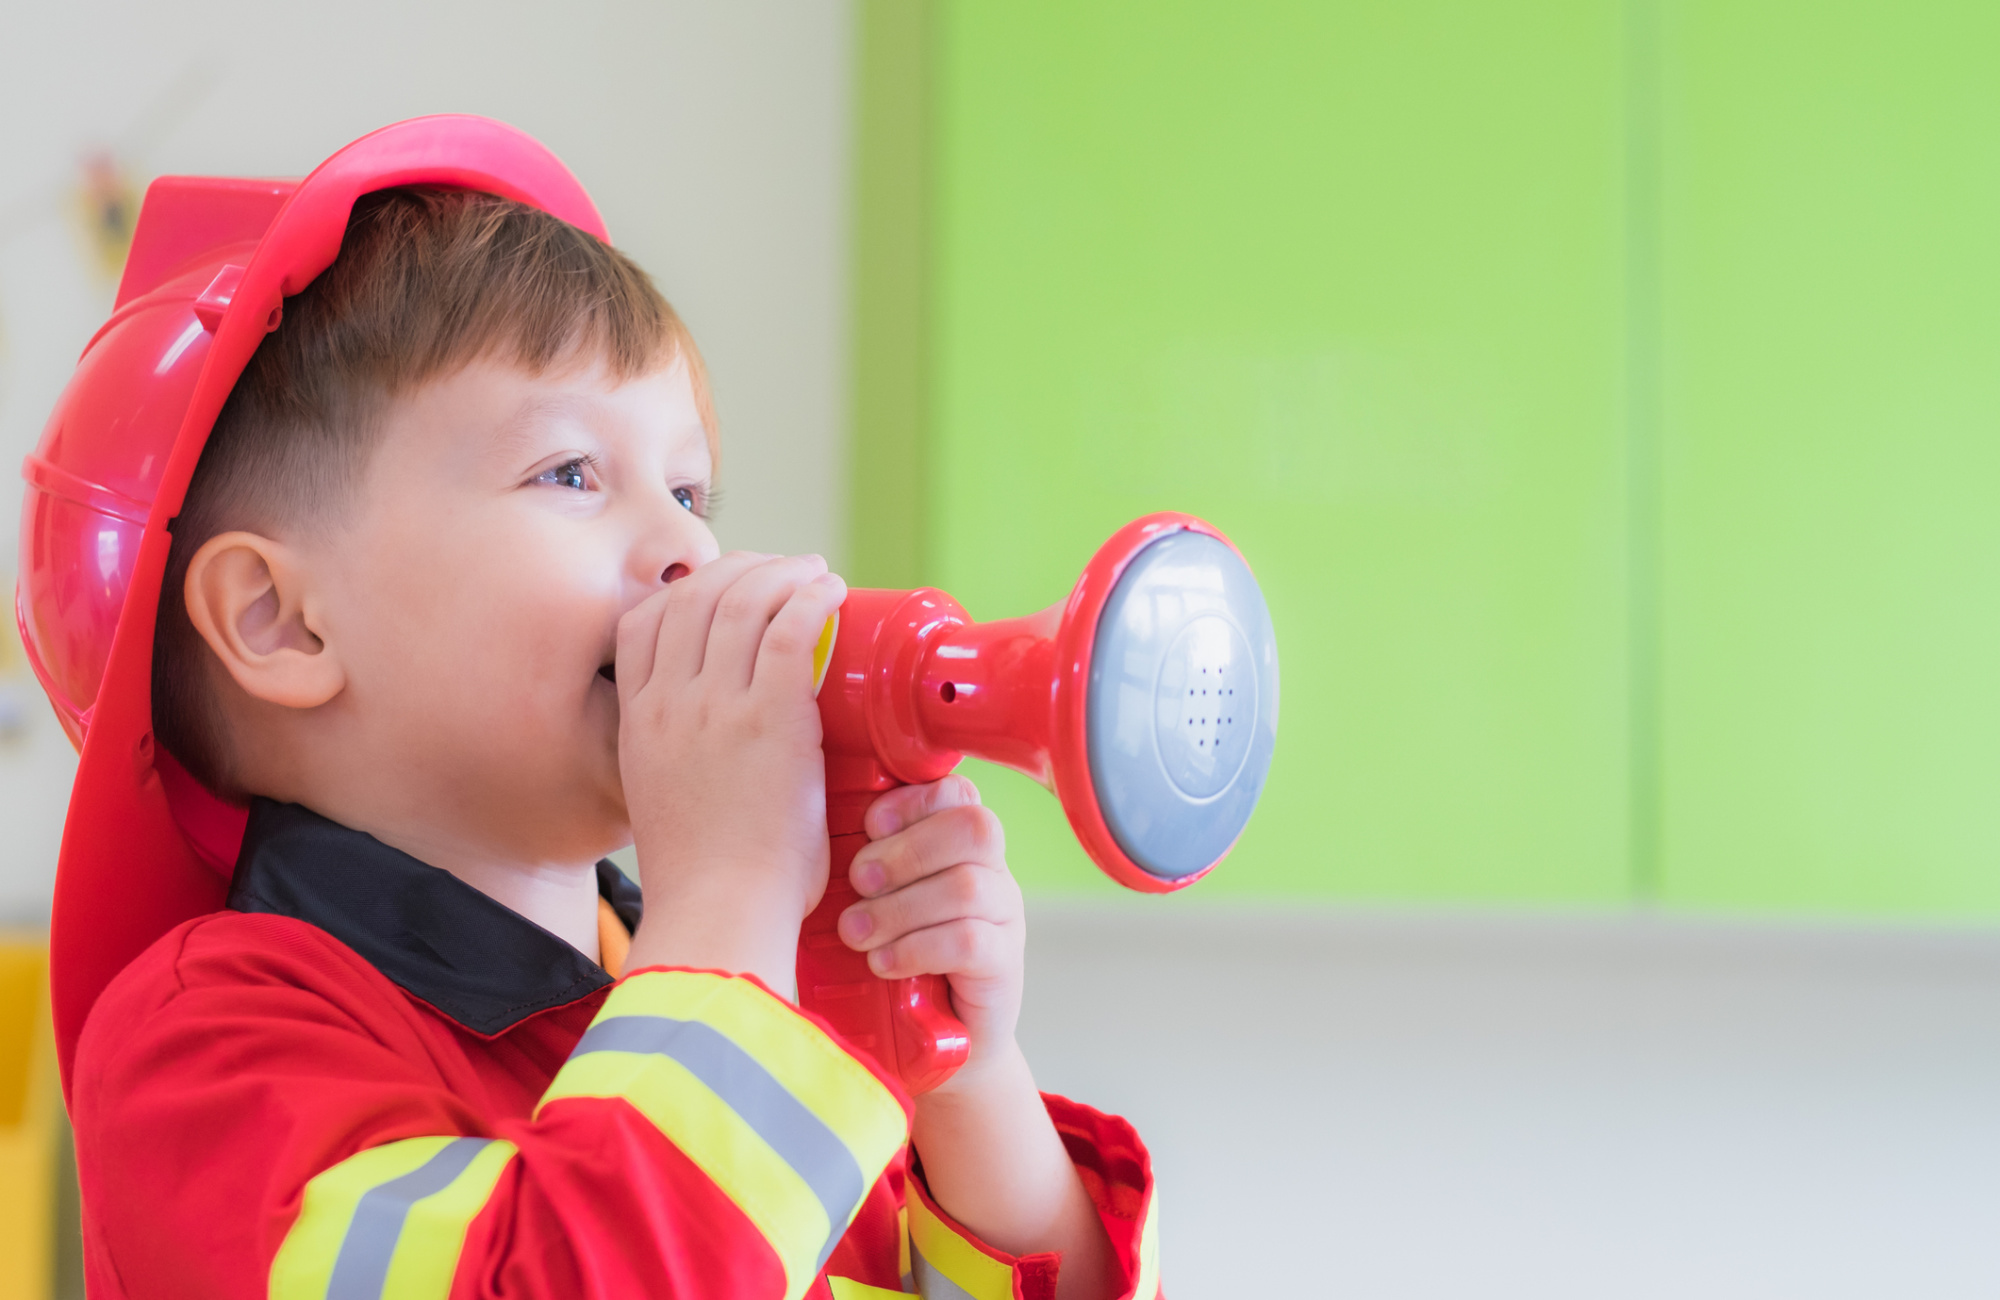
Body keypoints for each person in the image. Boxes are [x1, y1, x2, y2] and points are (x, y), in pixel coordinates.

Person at [25, 119, 1159, 1300]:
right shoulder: (203, 1046)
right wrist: (727, 897)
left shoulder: (731, 1001)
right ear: (282, 622)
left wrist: (962, 1083)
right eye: (568, 474)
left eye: (687, 488)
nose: (686, 545)